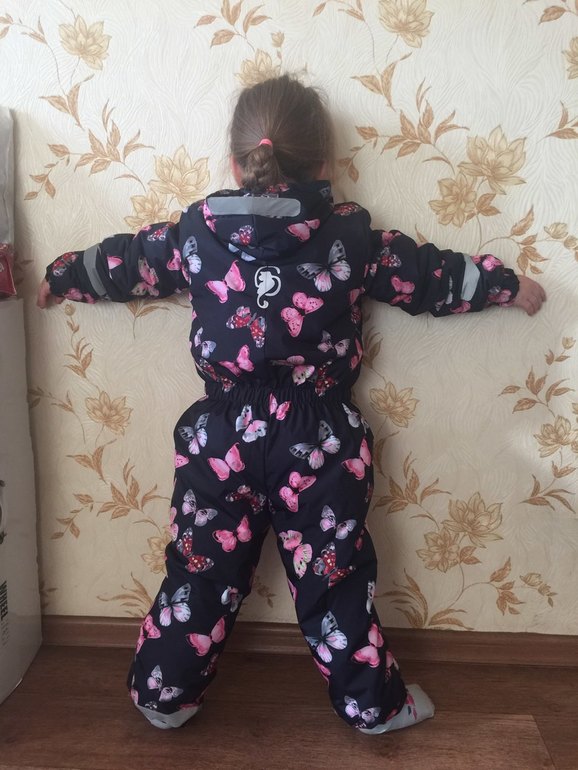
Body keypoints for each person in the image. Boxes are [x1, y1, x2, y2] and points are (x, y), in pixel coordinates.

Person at [37, 74, 545, 735]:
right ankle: (372, 707)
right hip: (319, 440)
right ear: (325, 165)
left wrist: (61, 276)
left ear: (235, 162)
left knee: (200, 568)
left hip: (221, 436)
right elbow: (426, 276)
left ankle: (163, 696)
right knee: (333, 579)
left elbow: (127, 263)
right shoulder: (350, 235)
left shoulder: (194, 233)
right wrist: (504, 285)